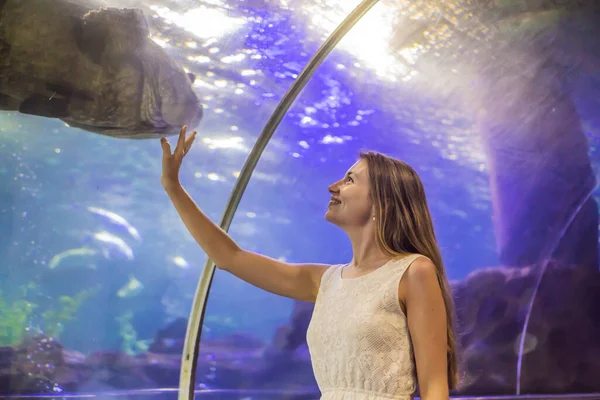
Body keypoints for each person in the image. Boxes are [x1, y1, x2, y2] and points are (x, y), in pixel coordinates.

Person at [160, 126, 458, 400]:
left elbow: (434, 386)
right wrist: (173, 187)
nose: (333, 186)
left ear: (383, 202)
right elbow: (230, 257)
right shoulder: (325, 281)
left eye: (350, 179)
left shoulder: (413, 271)